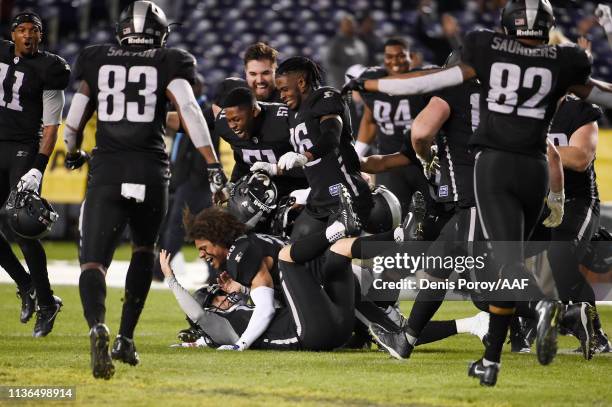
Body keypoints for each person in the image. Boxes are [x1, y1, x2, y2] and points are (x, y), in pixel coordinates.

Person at [343, 0, 612, 385]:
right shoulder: (563, 61)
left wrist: (369, 84)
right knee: (495, 271)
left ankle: (537, 313)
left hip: (494, 171)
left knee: (487, 271)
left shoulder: (483, 59)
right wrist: (553, 199)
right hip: (535, 170)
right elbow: (599, 95)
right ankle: (502, 349)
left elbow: (426, 88)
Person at [62, 1, 225, 380]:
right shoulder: (171, 60)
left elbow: (74, 118)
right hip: (151, 171)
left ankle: (96, 325)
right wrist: (214, 164)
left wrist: (72, 151)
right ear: (160, 32)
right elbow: (189, 109)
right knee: (143, 251)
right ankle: (125, 338)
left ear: (122, 31)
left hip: (108, 169)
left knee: (93, 262)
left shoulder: (96, 58)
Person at [0, 12, 69, 337]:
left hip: (23, 147)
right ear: (12, 34)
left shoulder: (50, 68)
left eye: (34, 30)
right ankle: (26, 284)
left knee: (22, 224)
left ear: (41, 36)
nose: (28, 35)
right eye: (22, 30)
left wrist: (37, 169)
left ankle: (45, 301)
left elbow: (52, 126)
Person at [261, 56, 373, 241]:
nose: (281, 95)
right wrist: (273, 168)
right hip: (318, 200)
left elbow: (331, 136)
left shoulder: (324, 98)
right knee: (293, 253)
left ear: (302, 83)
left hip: (346, 197)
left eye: (285, 89)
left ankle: (396, 241)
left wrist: (305, 156)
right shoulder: (292, 113)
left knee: (337, 261)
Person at [355, 37, 431, 216]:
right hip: (388, 163)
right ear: (384, 58)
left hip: (422, 161)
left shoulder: (425, 81)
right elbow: (369, 120)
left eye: (400, 56)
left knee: (431, 214)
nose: (395, 61)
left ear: (411, 56)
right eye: (389, 56)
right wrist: (356, 153)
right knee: (394, 218)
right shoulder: (374, 81)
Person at [214, 87, 308, 201]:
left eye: (236, 119)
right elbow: (243, 160)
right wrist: (232, 185)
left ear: (254, 111)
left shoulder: (286, 119)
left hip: (299, 191)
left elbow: (315, 163)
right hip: (260, 194)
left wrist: (275, 169)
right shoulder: (223, 125)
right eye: (229, 120)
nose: (232, 126)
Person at [325, 14, 369, 89]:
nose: (350, 26)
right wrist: (347, 77)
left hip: (356, 84)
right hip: (339, 84)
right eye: (347, 24)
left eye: (352, 24)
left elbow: (364, 63)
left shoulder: (360, 43)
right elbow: (329, 64)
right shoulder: (334, 43)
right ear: (341, 26)